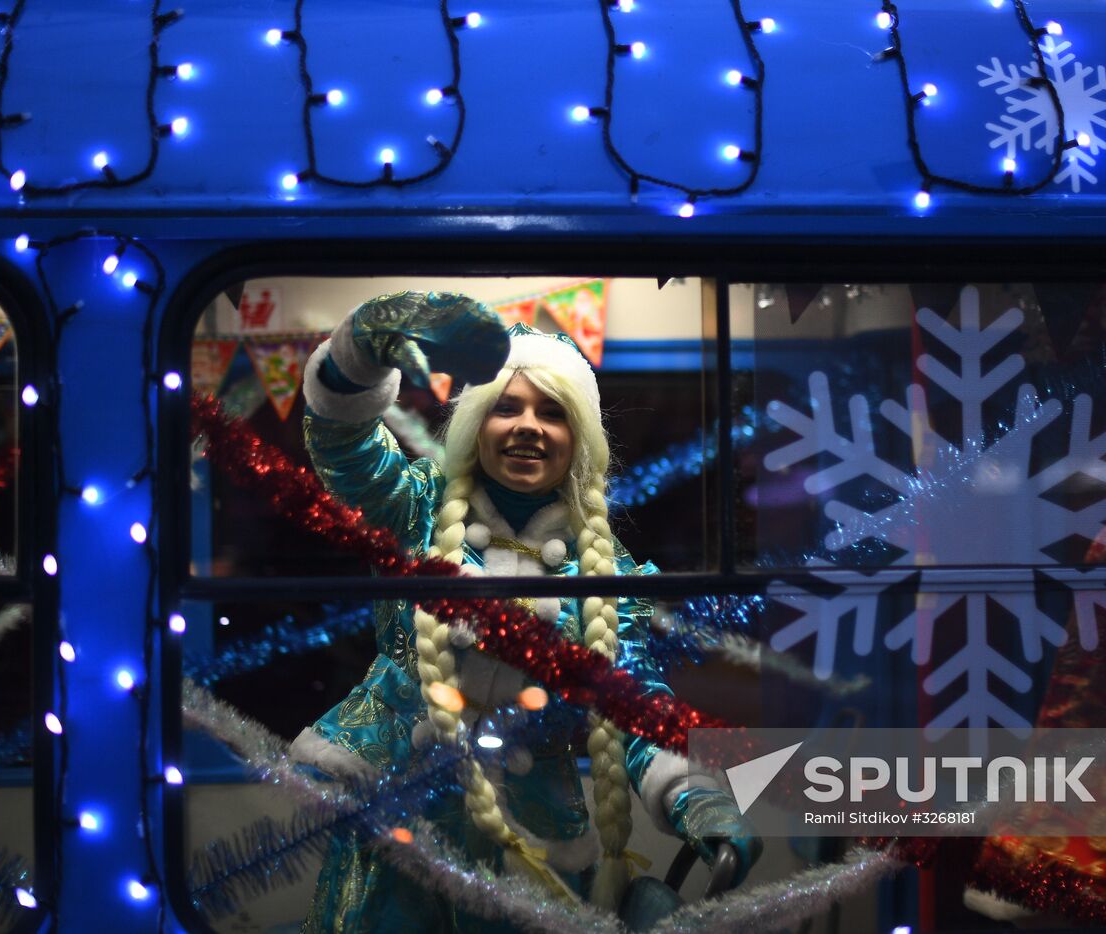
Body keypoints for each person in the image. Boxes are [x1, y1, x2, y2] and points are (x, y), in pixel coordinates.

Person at [288, 290, 759, 932]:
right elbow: (341, 445)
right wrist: (364, 345)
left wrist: (694, 798)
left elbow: (634, 707)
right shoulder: (414, 506)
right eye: (506, 407)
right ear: (476, 424)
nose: (528, 427)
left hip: (534, 846)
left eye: (553, 413)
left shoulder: (604, 571)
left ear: (577, 440)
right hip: (395, 818)